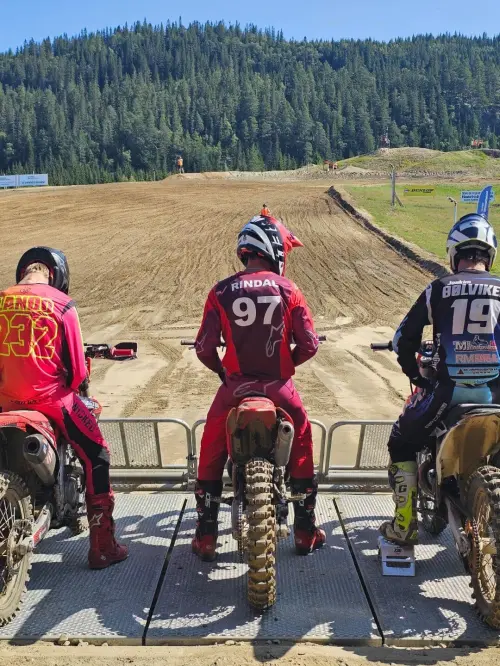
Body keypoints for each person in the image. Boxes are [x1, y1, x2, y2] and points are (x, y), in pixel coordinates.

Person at [192, 215, 326, 561]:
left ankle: (206, 535)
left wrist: (223, 373)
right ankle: (305, 531)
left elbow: (204, 348)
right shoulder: (289, 289)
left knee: (211, 446)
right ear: (274, 249)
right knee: (302, 439)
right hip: (279, 388)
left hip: (235, 390)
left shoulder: (220, 291)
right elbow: (310, 344)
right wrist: (285, 366)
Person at [0, 247, 128, 569]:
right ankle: (103, 547)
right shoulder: (62, 304)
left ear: (22, 273)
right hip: (52, 401)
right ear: (58, 275)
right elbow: (78, 374)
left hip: (5, 401)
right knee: (97, 455)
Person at [381, 213, 500, 546]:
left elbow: (403, 338)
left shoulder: (439, 288)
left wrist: (413, 374)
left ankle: (404, 525)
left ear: (453, 254)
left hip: (449, 393)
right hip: (494, 393)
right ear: (490, 254)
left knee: (401, 442)